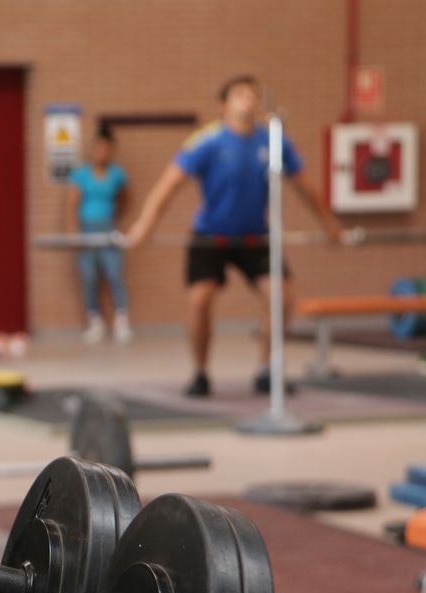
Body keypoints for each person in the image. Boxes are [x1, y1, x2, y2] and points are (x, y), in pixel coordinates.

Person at [126, 75, 344, 397]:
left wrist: (330, 226)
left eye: (253, 95)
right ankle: (200, 373)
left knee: (280, 298)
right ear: (223, 104)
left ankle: (266, 371)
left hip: (255, 237)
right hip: (210, 236)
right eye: (241, 94)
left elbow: (306, 187)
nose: (249, 100)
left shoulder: (273, 141)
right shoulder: (207, 142)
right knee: (200, 300)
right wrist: (143, 227)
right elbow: (167, 187)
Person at [67, 129, 131, 344]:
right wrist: (75, 232)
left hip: (108, 227)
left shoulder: (117, 174)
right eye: (98, 148)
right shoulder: (81, 175)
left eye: (106, 149)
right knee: (89, 277)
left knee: (114, 274)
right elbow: (73, 204)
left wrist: (115, 216)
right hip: (86, 229)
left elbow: (125, 199)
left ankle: (121, 320)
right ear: (93, 150)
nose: (102, 152)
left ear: (111, 151)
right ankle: (95, 322)